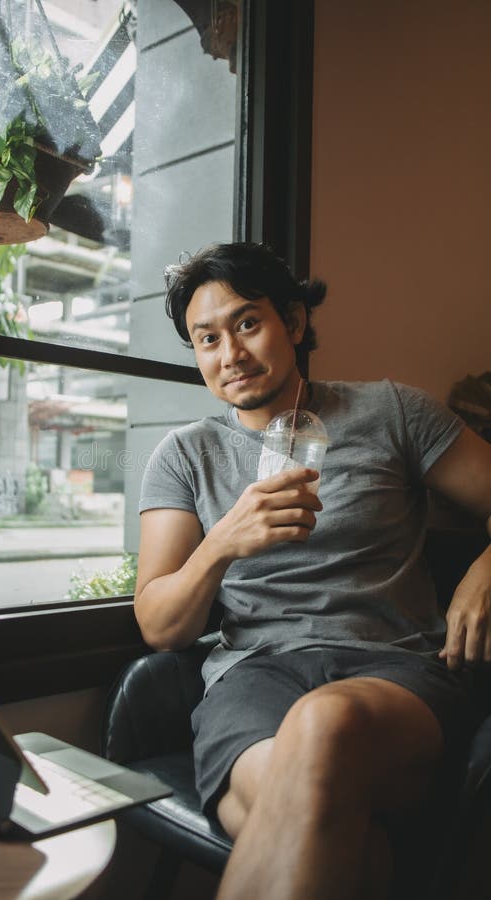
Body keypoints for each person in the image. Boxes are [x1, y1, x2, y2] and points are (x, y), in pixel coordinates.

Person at [134, 241, 491, 900]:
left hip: (397, 673)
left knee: (323, 730)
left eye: (247, 323)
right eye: (206, 338)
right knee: (352, 845)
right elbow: (160, 627)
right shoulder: (187, 454)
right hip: (254, 680)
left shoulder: (394, 412)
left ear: (293, 322)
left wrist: (485, 568)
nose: (230, 354)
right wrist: (220, 545)